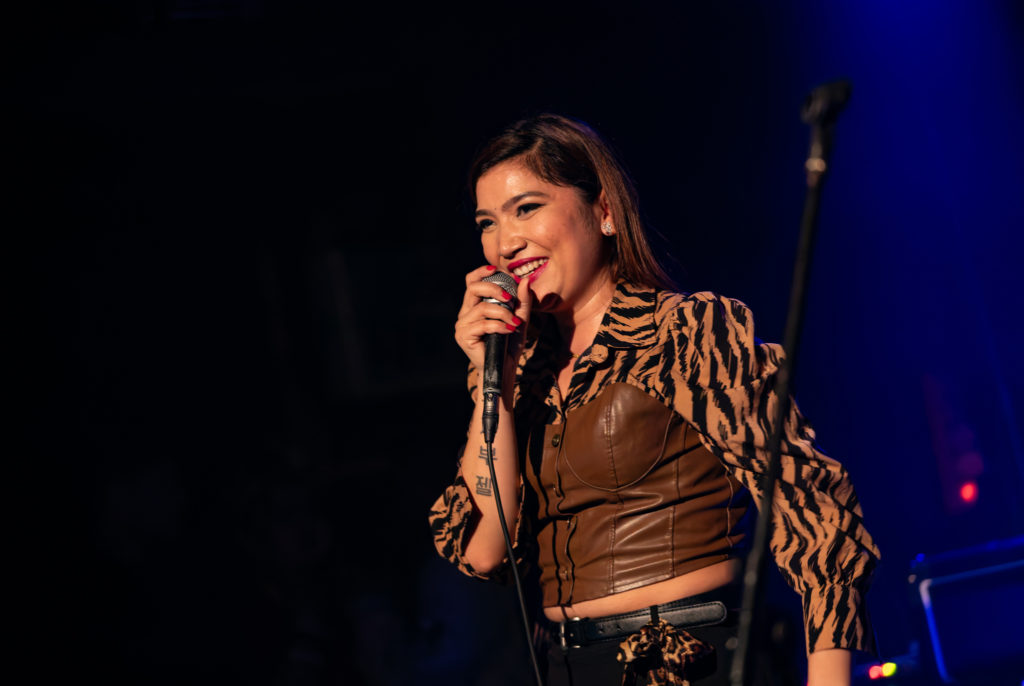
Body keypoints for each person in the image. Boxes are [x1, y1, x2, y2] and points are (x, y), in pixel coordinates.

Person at [429, 114, 879, 685]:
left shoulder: (684, 332)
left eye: (527, 208)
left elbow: (815, 515)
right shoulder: (514, 373)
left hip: (687, 657)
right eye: (487, 223)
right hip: (568, 668)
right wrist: (493, 376)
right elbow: (483, 550)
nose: (505, 242)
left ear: (605, 212)